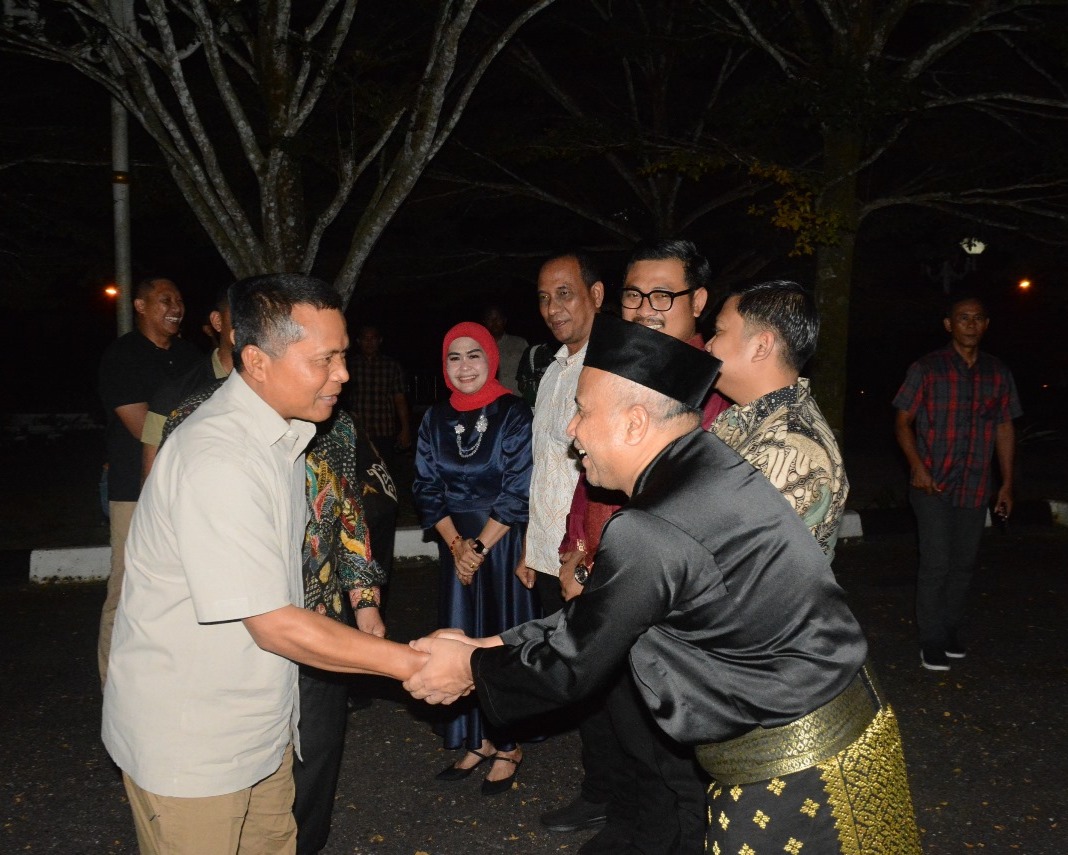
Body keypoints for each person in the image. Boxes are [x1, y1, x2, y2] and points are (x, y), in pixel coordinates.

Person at [404, 314, 923, 855]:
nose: (570, 430)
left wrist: (467, 667)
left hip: (793, 775)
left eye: (582, 411)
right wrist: (490, 644)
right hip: (851, 740)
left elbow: (574, 662)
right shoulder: (710, 465)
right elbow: (612, 610)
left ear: (633, 423)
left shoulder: (652, 526)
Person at [102, 274, 426, 855]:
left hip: (261, 729)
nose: (344, 375)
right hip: (194, 745)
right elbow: (274, 622)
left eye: (344, 355)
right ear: (255, 361)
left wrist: (366, 605)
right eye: (324, 359)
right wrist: (414, 665)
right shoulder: (218, 457)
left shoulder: (285, 438)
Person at [555, 239, 729, 855]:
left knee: (677, 745)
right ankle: (635, 827)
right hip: (606, 572)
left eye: (664, 294)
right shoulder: (619, 365)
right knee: (625, 726)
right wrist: (575, 548)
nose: (647, 307)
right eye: (634, 294)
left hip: (672, 592)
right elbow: (586, 476)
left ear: (698, 301)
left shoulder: (716, 387)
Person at [515, 251, 620, 836]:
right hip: (555, 554)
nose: (553, 307)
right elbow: (548, 468)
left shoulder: (611, 366)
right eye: (544, 297)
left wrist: (582, 553)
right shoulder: (555, 367)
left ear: (597, 294)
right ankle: (607, 786)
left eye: (565, 293)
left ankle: (611, 794)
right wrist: (534, 551)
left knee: (603, 681)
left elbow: (607, 477)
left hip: (589, 556)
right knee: (582, 679)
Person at [412, 322, 539, 795]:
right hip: (457, 545)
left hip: (500, 543)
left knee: (496, 641)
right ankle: (476, 738)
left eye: (473, 356)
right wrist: (456, 545)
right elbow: (426, 487)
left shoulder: (512, 412)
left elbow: (517, 487)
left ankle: (508, 744)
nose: (464, 366)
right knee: (459, 639)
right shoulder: (435, 418)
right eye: (453, 357)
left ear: (490, 358)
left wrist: (480, 547)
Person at [893, 292, 1021, 671]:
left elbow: (1004, 428)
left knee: (963, 564)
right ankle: (931, 639)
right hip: (931, 483)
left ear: (986, 324)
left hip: (975, 484)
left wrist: (1007, 484)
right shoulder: (927, 368)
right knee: (936, 561)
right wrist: (916, 465)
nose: (971, 324)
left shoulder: (998, 372)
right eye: (962, 318)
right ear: (949, 324)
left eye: (978, 318)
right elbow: (902, 422)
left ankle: (949, 628)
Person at [96, 276, 201, 685]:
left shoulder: (191, 355)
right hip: (135, 491)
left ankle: (170, 682)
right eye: (164, 299)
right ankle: (113, 686)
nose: (176, 306)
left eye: (179, 299)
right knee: (126, 591)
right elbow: (146, 429)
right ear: (140, 306)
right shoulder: (123, 357)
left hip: (188, 489)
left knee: (185, 591)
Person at [707, 279, 849, 555]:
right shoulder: (746, 418)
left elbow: (733, 561)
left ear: (761, 346)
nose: (710, 345)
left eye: (719, 332)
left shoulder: (790, 448)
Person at [141, 284, 234, 480]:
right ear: (217, 321)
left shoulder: (283, 387)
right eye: (243, 316)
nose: (255, 326)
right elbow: (152, 478)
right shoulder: (179, 392)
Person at [346, 323, 412, 476]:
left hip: (385, 430)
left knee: (385, 473)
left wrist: (405, 429)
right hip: (358, 431)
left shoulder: (391, 366)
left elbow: (399, 399)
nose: (369, 342)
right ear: (358, 341)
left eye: (373, 338)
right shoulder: (350, 366)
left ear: (379, 341)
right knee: (359, 474)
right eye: (365, 339)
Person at [482, 305, 528, 395]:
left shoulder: (520, 343)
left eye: (497, 318)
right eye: (490, 319)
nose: (494, 322)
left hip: (518, 399)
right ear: (484, 322)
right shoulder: (478, 348)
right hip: (490, 402)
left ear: (504, 321)